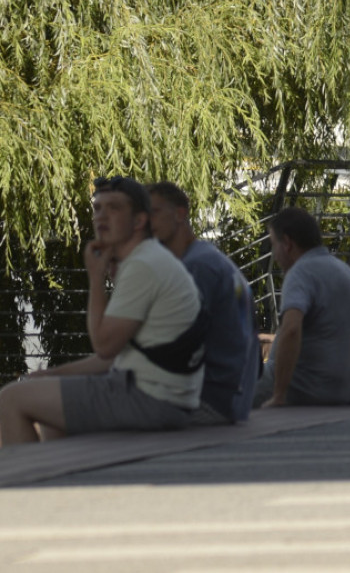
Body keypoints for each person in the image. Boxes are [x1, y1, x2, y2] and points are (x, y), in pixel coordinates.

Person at [0, 176, 202, 446]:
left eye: (114, 208)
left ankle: (27, 485)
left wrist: (95, 279)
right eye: (97, 208)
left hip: (150, 398)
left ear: (139, 221)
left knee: (11, 399)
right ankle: (60, 481)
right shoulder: (148, 258)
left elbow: (104, 346)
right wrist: (51, 375)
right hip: (166, 395)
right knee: (50, 410)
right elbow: (115, 357)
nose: (101, 217)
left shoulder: (143, 265)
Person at [253, 206, 350, 407]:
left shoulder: (299, 273)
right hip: (342, 392)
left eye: (274, 245)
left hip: (300, 387)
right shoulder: (347, 273)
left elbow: (291, 330)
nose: (274, 256)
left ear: (287, 244)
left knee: (221, 390)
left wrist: (279, 396)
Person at [147, 182, 261, 425]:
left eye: (154, 212)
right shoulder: (209, 258)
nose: (148, 223)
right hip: (232, 397)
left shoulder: (196, 268)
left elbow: (173, 343)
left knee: (86, 408)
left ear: (179, 214)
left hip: (210, 400)